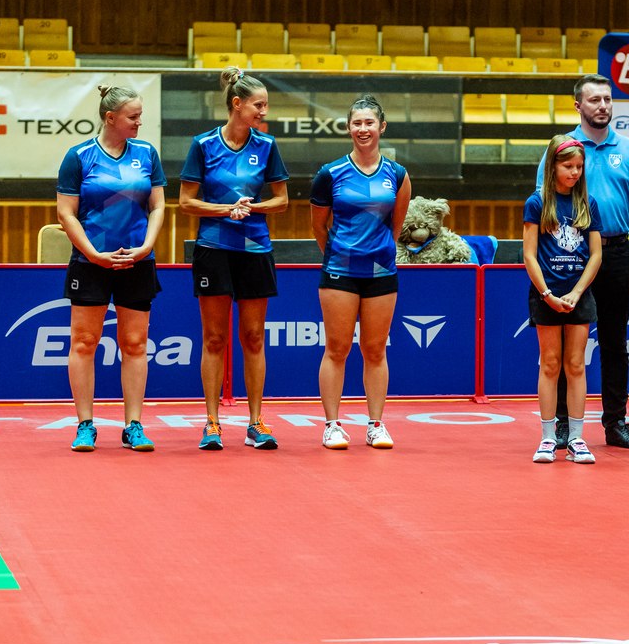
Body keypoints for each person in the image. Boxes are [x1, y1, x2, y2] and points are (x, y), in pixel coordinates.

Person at [540, 74, 629, 450]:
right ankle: (561, 424)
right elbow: (545, 205)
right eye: (594, 100)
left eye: (607, 99)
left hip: (618, 252)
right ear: (578, 106)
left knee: (614, 341)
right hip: (571, 254)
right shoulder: (562, 148)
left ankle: (615, 423)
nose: (603, 105)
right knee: (563, 345)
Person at [179, 67, 289, 450]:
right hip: (213, 250)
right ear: (237, 104)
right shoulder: (203, 145)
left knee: (254, 337)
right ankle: (212, 423)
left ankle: (256, 422)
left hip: (255, 250)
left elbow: (281, 200)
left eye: (266, 105)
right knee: (214, 338)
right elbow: (186, 201)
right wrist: (226, 209)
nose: (264, 111)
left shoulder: (267, 145)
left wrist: (252, 207)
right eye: (259, 105)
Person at [56, 85, 166, 452]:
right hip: (91, 262)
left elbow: (157, 206)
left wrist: (147, 246)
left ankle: (133, 425)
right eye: (133, 116)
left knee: (134, 344)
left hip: (137, 260)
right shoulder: (79, 156)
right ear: (110, 118)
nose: (139, 122)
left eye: (140, 115)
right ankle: (85, 425)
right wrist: (93, 254)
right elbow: (66, 213)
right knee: (84, 342)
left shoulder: (146, 154)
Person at [310, 95, 411, 450]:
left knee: (375, 350)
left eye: (369, 123)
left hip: (381, 273)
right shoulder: (330, 174)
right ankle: (332, 425)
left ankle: (376, 425)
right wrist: (341, 255)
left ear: (381, 127)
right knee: (337, 349)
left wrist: (377, 253)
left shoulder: (397, 175)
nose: (363, 129)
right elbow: (319, 226)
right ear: (348, 127)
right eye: (357, 123)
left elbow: (396, 226)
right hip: (339, 271)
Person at [524, 135, 603, 464]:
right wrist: (548, 294)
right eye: (568, 166)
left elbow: (596, 255)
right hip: (546, 295)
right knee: (550, 364)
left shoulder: (588, 204)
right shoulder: (537, 203)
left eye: (579, 167)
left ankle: (576, 439)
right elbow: (529, 255)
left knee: (575, 365)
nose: (574, 172)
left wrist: (576, 292)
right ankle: (547, 437)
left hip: (578, 295)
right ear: (553, 166)